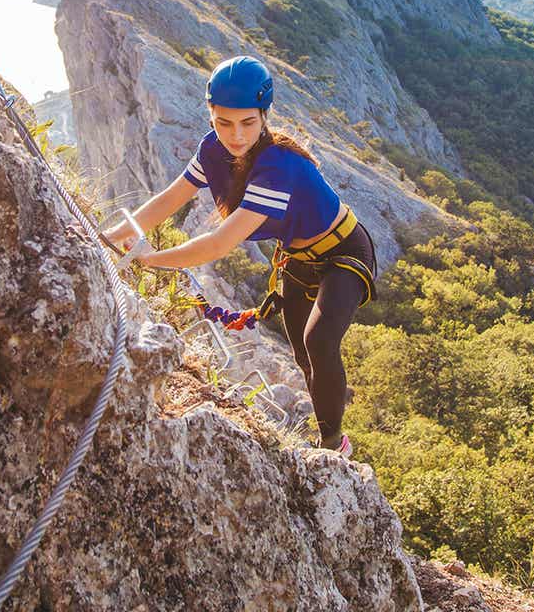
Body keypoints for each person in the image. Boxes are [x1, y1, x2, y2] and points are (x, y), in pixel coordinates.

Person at [101, 55, 377, 457]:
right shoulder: (212, 149)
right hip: (298, 257)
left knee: (318, 341)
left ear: (265, 115)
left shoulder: (277, 165)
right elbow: (171, 199)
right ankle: (330, 411)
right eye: (223, 122)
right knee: (302, 352)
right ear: (210, 114)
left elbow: (218, 244)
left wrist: (149, 260)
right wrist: (112, 236)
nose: (235, 135)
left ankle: (334, 446)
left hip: (345, 250)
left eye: (248, 122)